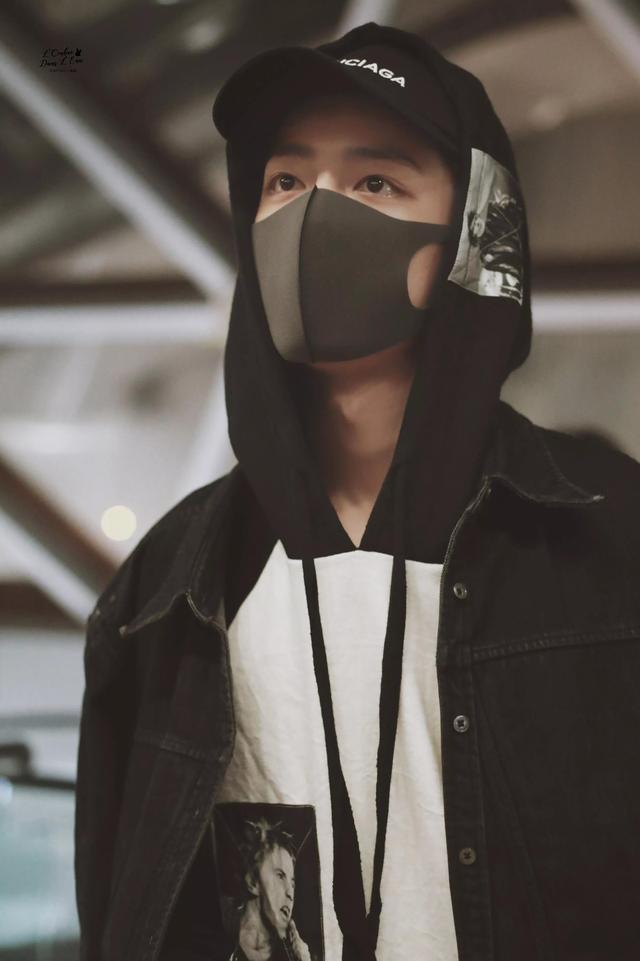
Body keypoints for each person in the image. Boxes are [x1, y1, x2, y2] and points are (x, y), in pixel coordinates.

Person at [74, 21, 640, 961]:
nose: (313, 212)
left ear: (469, 233)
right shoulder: (162, 593)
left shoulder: (612, 540)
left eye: (375, 181)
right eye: (285, 181)